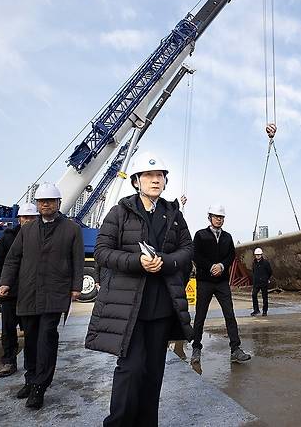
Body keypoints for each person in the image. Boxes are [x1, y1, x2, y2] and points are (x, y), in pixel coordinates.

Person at [85, 151, 194, 427]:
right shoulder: (120, 211)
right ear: (136, 181)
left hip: (160, 307)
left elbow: (187, 250)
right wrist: (137, 261)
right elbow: (101, 252)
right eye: (149, 175)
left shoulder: (174, 215)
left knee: (154, 372)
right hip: (129, 307)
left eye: (160, 176)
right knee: (130, 369)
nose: (155, 180)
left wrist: (166, 262)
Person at [0, 183, 84, 410]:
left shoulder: (71, 229)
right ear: (37, 204)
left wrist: (76, 287)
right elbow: (13, 259)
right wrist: (5, 282)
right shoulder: (26, 230)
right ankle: (31, 378)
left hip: (55, 293)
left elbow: (77, 260)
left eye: (49, 201)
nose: (45, 204)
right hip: (28, 292)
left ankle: (40, 387)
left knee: (46, 337)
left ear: (58, 203)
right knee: (31, 337)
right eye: (41, 201)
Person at [0, 202, 39, 378]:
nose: (28, 220)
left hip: (31, 292)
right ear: (19, 219)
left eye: (32, 217)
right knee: (8, 328)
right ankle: (9, 361)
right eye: (25, 217)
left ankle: (32, 365)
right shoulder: (8, 238)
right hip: (10, 292)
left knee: (32, 330)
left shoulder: (42, 237)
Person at [191, 204, 251, 365]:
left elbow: (231, 254)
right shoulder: (200, 235)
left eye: (221, 217)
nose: (219, 219)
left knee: (230, 315)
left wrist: (222, 266)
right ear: (209, 217)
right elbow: (196, 254)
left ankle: (235, 349)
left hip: (222, 282)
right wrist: (211, 266)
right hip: (205, 281)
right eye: (216, 216)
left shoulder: (227, 237)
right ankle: (196, 348)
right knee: (200, 316)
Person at [251, 247, 272, 317]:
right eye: (256, 255)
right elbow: (253, 272)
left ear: (261, 255)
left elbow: (270, 271)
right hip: (256, 283)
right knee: (254, 295)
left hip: (264, 282)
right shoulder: (254, 263)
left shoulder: (266, 263)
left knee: (265, 297)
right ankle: (256, 310)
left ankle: (265, 311)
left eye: (259, 255)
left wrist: (266, 278)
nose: (258, 256)